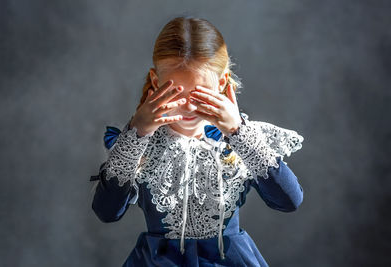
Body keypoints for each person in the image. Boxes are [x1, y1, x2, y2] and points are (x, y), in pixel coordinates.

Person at [90, 16, 304, 267]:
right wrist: (137, 133)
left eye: (199, 94)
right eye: (177, 93)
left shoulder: (242, 140)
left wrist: (238, 133)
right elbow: (106, 212)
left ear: (222, 83)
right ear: (156, 82)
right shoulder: (137, 143)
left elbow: (289, 201)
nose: (190, 106)